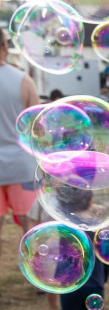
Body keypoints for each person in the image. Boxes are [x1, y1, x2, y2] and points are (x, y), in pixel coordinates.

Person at [0, 28, 41, 287]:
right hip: (21, 164)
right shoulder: (23, 80)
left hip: (13, 165)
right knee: (31, 226)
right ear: (5, 46)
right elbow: (38, 126)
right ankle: (39, 278)